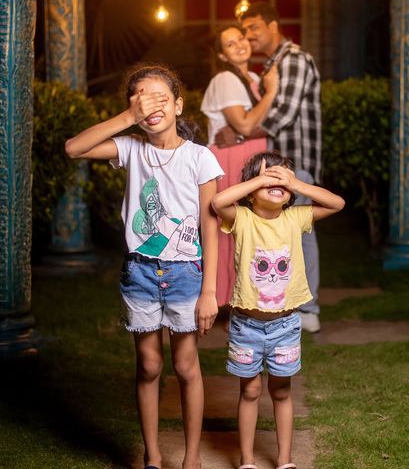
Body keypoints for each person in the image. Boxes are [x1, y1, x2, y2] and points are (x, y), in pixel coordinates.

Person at [65, 64, 224, 469]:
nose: (151, 106)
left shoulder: (199, 157)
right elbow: (74, 148)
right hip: (140, 272)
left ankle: (191, 458)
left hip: (186, 273)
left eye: (160, 98)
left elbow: (211, 225)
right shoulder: (131, 148)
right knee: (150, 365)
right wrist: (128, 117)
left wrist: (209, 291)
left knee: (185, 365)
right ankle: (152, 455)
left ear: (178, 105)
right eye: (140, 98)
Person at [211, 150, 344, 469]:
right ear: (251, 191)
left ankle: (285, 460)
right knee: (250, 391)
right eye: (267, 177)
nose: (276, 182)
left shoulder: (295, 218)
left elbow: (337, 204)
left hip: (285, 326)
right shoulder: (242, 219)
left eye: (282, 179)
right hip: (246, 326)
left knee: (282, 391)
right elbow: (218, 202)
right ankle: (247, 460)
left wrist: (297, 183)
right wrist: (258, 180)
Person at [215, 2, 322, 333]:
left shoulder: (295, 59)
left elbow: (283, 114)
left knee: (302, 232)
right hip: (278, 163)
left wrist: (240, 132)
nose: (248, 36)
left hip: (296, 162)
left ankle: (308, 310)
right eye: (244, 30)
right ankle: (278, 303)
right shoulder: (272, 64)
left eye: (254, 28)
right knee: (280, 235)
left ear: (273, 26)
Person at [201, 24, 278, 305]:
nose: (240, 45)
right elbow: (245, 123)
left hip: (250, 157)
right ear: (222, 55)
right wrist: (271, 93)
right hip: (231, 160)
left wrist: (247, 132)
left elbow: (259, 125)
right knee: (232, 228)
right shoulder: (225, 79)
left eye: (241, 38)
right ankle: (228, 300)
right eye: (230, 44)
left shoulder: (254, 78)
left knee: (253, 229)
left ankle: (253, 297)